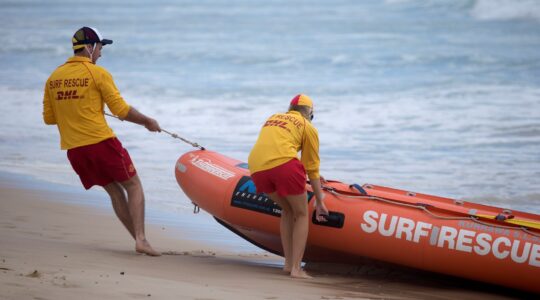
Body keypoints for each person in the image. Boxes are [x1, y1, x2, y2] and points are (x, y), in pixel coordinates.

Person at [42, 27, 161, 256]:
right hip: (101, 143)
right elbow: (121, 111)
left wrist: (76, 106)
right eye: (100, 48)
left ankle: (138, 240)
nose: (100, 54)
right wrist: (147, 121)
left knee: (115, 192)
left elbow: (49, 119)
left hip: (75, 150)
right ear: (89, 47)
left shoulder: (53, 78)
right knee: (133, 185)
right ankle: (141, 239)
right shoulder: (98, 74)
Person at [248, 94, 328, 278]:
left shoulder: (273, 117)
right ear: (310, 113)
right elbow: (312, 168)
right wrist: (320, 200)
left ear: (290, 109)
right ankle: (296, 269)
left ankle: (287, 264)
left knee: (287, 209)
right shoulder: (308, 127)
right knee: (301, 214)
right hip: (284, 166)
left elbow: (275, 145)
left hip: (257, 167)